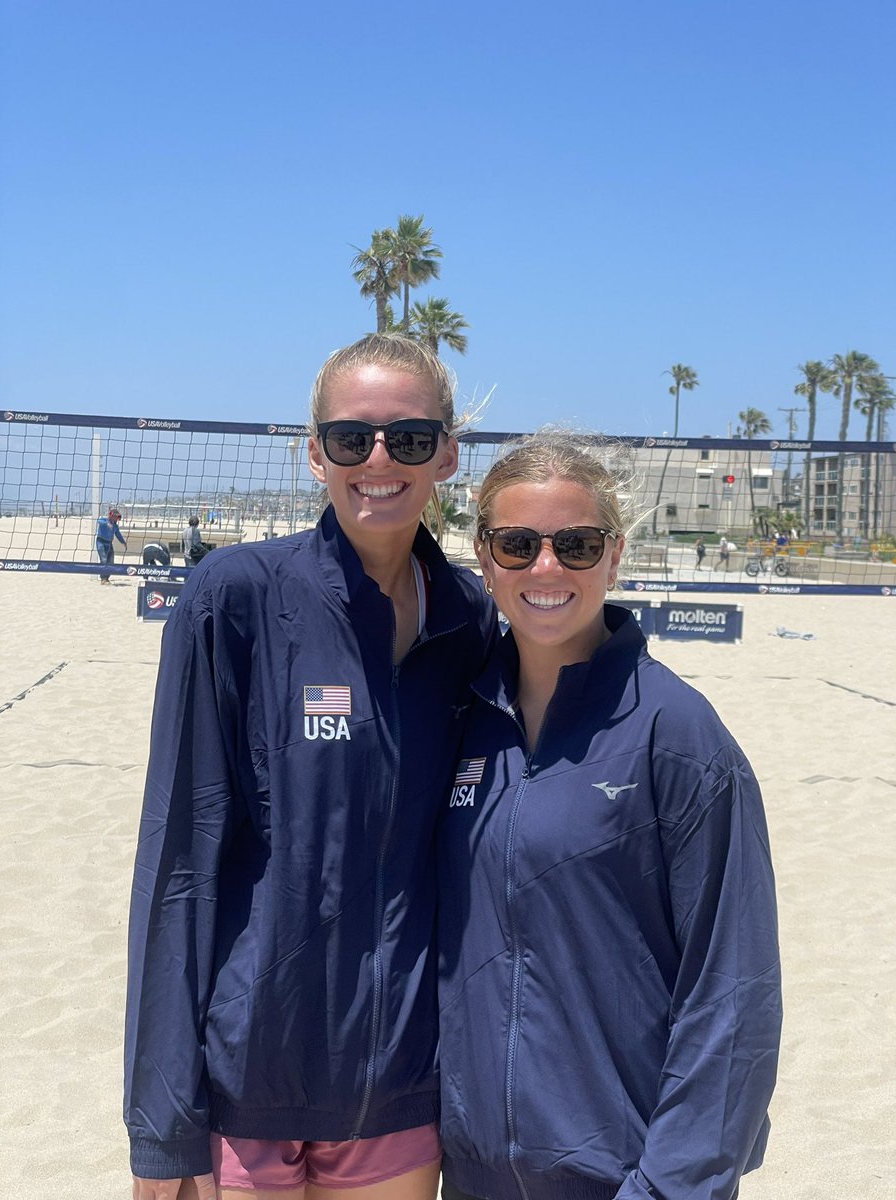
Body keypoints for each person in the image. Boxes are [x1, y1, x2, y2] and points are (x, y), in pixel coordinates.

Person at [124, 334, 497, 1200]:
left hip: (398, 1084)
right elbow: (178, 862)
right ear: (313, 452)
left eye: (408, 438)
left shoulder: (471, 622)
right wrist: (163, 1124)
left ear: (445, 452)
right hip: (247, 1079)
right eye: (349, 438)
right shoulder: (236, 595)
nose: (378, 459)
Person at [437, 431, 781, 1200]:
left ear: (615, 555)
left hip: (624, 1177)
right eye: (519, 544)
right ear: (485, 557)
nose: (547, 568)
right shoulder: (459, 720)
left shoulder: (677, 733)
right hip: (471, 1176)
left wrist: (671, 1184)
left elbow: (734, 989)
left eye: (578, 544)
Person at [94, 506, 127, 583]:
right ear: (112, 515)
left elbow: (118, 534)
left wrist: (123, 542)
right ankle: (103, 578)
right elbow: (98, 521)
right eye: (117, 517)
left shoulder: (115, 526)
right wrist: (107, 523)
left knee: (111, 561)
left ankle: (107, 577)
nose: (117, 519)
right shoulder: (103, 520)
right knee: (103, 560)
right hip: (101, 542)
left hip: (109, 543)